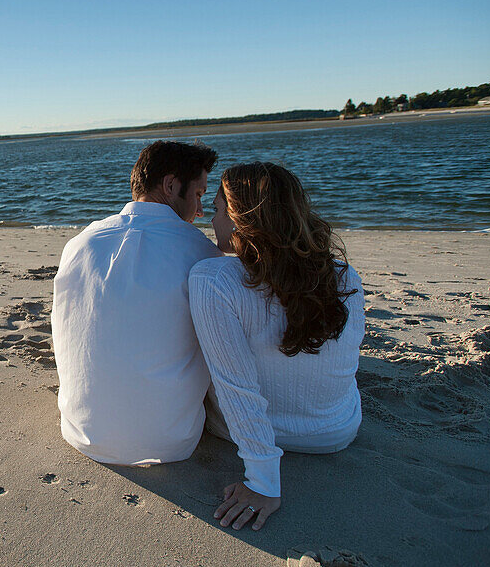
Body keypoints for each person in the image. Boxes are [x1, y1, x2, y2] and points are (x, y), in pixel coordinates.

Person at [189, 163, 364, 531]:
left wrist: (264, 482)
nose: (212, 220)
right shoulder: (345, 276)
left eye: (219, 210)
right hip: (336, 430)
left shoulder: (213, 279)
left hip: (238, 433)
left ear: (241, 221)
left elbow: (236, 387)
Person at [53, 140, 221, 466]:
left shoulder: (80, 244)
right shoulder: (201, 252)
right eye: (199, 194)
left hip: (80, 431)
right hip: (172, 442)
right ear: (171, 185)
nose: (200, 211)